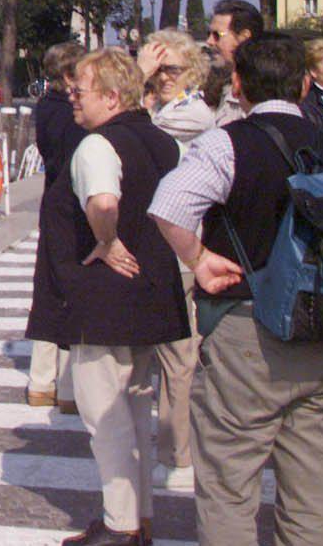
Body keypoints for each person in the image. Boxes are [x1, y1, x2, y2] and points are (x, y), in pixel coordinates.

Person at [149, 33, 323, 546]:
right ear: (306, 83)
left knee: (230, 480)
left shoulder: (227, 142)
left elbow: (168, 206)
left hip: (248, 328)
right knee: (314, 488)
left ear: (239, 84)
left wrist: (198, 260)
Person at [26, 48, 188, 546]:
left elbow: (102, 201)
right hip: (151, 290)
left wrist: (107, 238)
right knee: (137, 410)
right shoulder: (161, 140)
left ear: (113, 97)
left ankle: (120, 526)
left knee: (105, 414)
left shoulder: (98, 146)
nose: (72, 99)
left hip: (104, 294)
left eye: (81, 92)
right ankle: (138, 518)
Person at [135, 28, 213, 491]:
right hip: (160, 248)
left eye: (173, 70)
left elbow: (134, 136)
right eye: (159, 69)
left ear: (195, 74)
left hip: (180, 251)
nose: (163, 78)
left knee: (179, 358)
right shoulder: (166, 110)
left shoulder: (191, 116)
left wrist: (136, 80)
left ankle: (178, 454)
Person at [28, 40, 87, 411]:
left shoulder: (46, 108)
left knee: (49, 289)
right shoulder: (70, 112)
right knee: (71, 292)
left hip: (53, 200)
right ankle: (67, 387)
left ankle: (40, 381)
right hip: (73, 204)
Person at [205, 0, 263, 126]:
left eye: (217, 35)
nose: (209, 41)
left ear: (244, 37)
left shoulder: (261, 91)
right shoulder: (218, 85)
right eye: (208, 34)